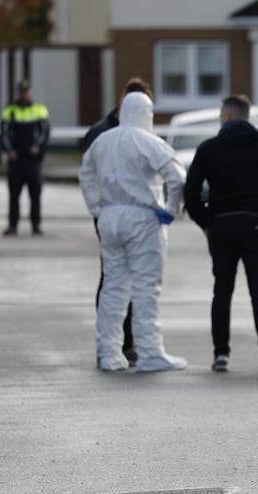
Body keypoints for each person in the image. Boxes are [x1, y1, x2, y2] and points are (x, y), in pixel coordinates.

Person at [78, 92, 187, 372]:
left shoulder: (103, 141)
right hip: (142, 217)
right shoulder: (149, 142)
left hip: (110, 215)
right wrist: (172, 209)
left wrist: (96, 207)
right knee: (145, 287)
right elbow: (176, 177)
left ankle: (108, 352)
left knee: (113, 287)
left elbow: (85, 173)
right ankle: (150, 352)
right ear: (146, 114)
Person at [184, 95, 258, 373]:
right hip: (255, 226)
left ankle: (221, 354)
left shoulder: (209, 148)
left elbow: (191, 192)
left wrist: (205, 221)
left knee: (222, 291)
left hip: (220, 226)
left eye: (221, 114)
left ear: (228, 116)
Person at [83, 77, 153, 368]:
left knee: (134, 278)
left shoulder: (139, 133)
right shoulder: (101, 134)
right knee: (112, 280)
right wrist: (98, 211)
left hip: (135, 217)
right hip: (112, 216)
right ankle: (110, 343)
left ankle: (129, 341)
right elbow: (89, 174)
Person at [0, 79, 50, 236]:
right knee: (14, 194)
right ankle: (12, 225)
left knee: (35, 194)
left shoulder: (39, 110)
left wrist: (38, 147)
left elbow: (45, 132)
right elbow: (4, 133)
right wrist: (9, 151)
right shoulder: (10, 110)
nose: (25, 94)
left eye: (27, 91)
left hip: (33, 160)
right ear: (19, 93)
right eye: (22, 92)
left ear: (30, 92)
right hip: (16, 160)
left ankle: (36, 225)